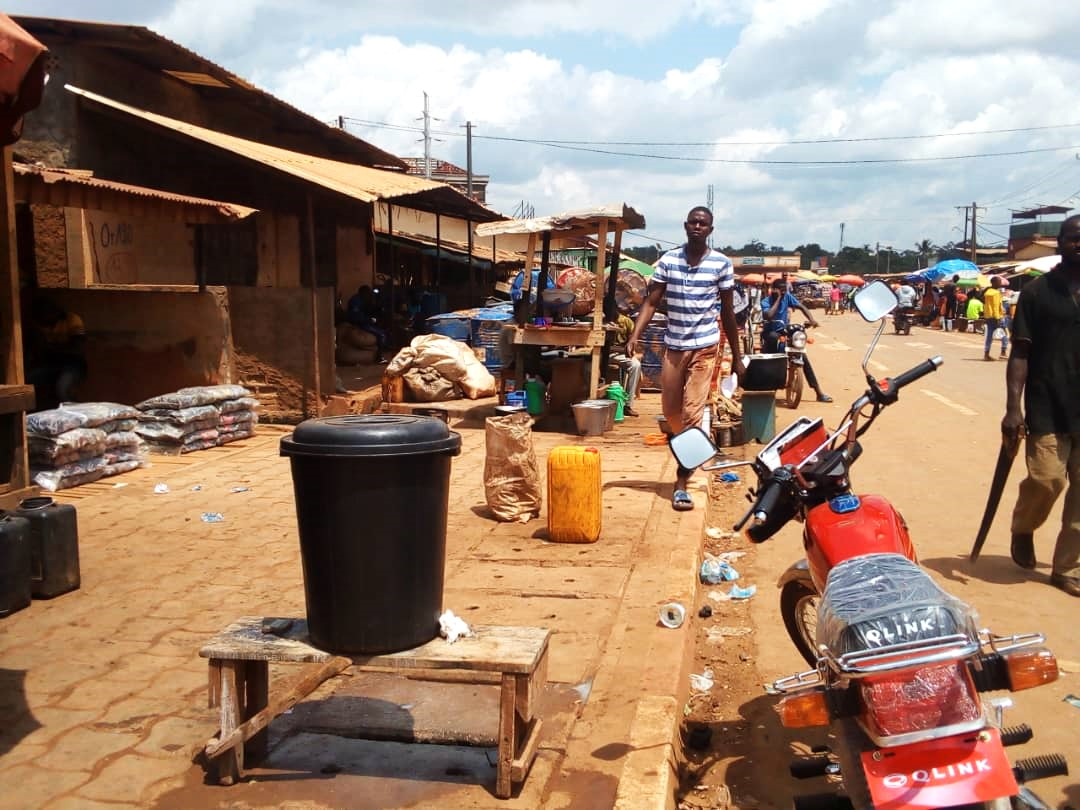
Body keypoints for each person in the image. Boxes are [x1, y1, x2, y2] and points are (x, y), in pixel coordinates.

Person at [626, 206, 743, 512]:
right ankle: (694, 445)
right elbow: (651, 301)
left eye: (703, 224)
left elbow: (728, 313)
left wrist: (738, 356)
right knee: (670, 411)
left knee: (692, 413)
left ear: (710, 230)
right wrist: (635, 334)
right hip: (674, 346)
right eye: (693, 222)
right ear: (685, 225)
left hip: (705, 346)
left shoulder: (721, 264)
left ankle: (681, 480)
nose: (697, 227)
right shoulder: (669, 261)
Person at [1001, 214, 1080, 598]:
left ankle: (1067, 568)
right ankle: (1023, 526)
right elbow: (1020, 354)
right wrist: (1013, 408)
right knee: (1048, 480)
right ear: (1059, 242)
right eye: (1074, 238)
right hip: (1047, 404)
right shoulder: (1036, 293)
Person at [760, 279, 832, 403]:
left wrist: (811, 319)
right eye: (781, 291)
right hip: (771, 332)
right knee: (772, 343)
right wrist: (778, 299)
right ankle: (770, 385)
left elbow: (801, 307)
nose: (784, 293)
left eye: (785, 290)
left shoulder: (788, 297)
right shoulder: (766, 301)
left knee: (803, 356)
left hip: (784, 330)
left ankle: (818, 392)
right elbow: (769, 315)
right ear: (774, 290)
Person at [25, 297, 87, 410]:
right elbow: (34, 351)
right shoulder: (39, 324)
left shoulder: (71, 319)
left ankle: (78, 414)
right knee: (27, 383)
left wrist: (49, 348)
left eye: (47, 311)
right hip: (50, 365)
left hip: (73, 365)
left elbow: (78, 348)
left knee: (62, 389)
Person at [607, 311, 641, 417]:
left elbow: (633, 340)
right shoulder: (600, 319)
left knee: (636, 365)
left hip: (619, 353)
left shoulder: (626, 321)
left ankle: (627, 405)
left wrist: (630, 349)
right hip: (602, 352)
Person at [346, 285, 389, 363]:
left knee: (382, 331)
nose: (369, 295)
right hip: (358, 324)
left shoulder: (362, 299)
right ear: (363, 293)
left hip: (363, 322)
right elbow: (356, 316)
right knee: (381, 335)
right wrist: (369, 320)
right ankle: (379, 357)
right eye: (368, 293)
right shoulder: (356, 301)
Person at [982, 276, 1008, 360]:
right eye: (999, 282)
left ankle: (986, 353)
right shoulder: (996, 293)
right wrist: (998, 318)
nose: (1000, 284)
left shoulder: (987, 292)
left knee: (989, 335)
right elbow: (995, 306)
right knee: (1005, 334)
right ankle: (1003, 352)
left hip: (988, 316)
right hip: (997, 316)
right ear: (994, 283)